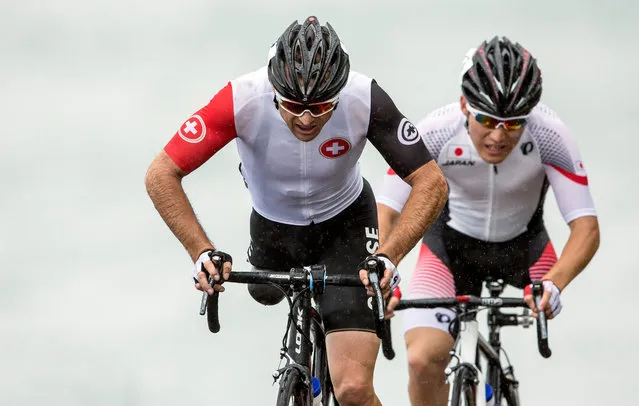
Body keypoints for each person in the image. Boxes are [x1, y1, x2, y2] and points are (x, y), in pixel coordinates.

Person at [145, 16, 448, 406]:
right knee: (264, 293)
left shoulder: (363, 97)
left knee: (354, 390)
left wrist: (389, 255)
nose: (306, 119)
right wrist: (201, 251)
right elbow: (161, 174)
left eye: (321, 107)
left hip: (347, 226)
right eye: (292, 106)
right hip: (273, 229)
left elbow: (431, 182)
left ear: (338, 92)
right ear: (274, 91)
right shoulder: (243, 98)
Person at [378, 36, 600, 405]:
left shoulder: (550, 134)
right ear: (465, 104)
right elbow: (388, 207)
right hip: (450, 248)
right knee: (421, 360)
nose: (498, 136)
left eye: (513, 124)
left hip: (524, 250)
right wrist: (388, 265)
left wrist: (556, 283)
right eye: (485, 120)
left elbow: (586, 227)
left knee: (549, 303)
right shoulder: (436, 130)